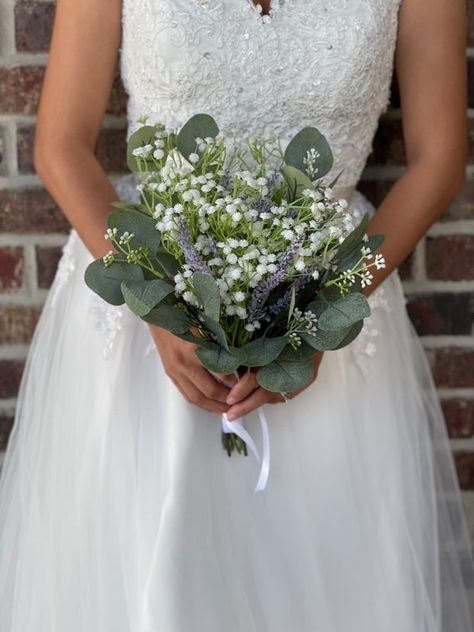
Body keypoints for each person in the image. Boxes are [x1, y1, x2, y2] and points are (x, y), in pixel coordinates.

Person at [0, 0, 473, 629]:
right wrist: (155, 302)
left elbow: (438, 161)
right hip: (151, 308)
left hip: (328, 307)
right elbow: (60, 146)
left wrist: (325, 310)